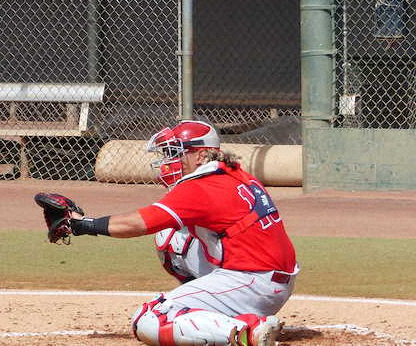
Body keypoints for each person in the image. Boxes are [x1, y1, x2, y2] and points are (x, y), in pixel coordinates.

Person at [36, 120, 297, 346]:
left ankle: (245, 332)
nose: (169, 162)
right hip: (266, 277)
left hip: (253, 283)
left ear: (202, 155)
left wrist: (82, 224)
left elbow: (139, 223)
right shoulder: (231, 173)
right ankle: (211, 310)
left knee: (148, 319)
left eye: (177, 153)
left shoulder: (202, 186)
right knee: (171, 239)